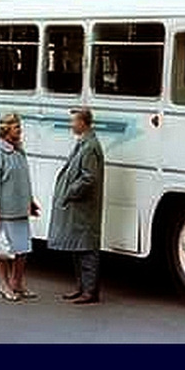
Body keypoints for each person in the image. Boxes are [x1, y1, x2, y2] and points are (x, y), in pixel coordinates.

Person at [47, 106, 105, 304]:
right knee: (78, 247)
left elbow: (89, 179)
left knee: (86, 249)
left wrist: (69, 192)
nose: (71, 125)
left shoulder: (89, 147)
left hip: (83, 208)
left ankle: (90, 291)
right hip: (79, 207)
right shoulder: (84, 143)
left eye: (74, 121)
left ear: (83, 123)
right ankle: (81, 288)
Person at [0, 112, 40, 301]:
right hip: (4, 210)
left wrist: (30, 201)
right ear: (6, 129)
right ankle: (5, 284)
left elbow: (24, 179)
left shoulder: (18, 150)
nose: (20, 131)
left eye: (20, 127)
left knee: (23, 249)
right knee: (4, 250)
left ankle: (17, 283)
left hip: (20, 208)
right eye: (16, 127)